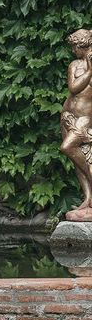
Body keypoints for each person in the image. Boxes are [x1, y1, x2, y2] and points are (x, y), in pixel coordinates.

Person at [61, 29, 92, 221]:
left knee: (68, 147)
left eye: (75, 47)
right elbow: (73, 87)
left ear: (84, 45)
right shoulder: (74, 65)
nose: (73, 50)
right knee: (77, 160)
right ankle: (88, 198)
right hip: (68, 116)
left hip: (85, 119)